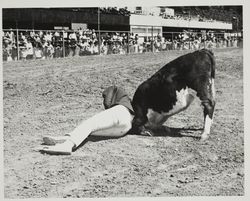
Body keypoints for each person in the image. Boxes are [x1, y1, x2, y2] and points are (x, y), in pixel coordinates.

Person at [40, 86, 134, 155]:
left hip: (120, 112)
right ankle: (64, 139)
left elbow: (107, 101)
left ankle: (67, 145)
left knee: (90, 124)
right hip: (125, 128)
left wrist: (107, 106)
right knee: (91, 131)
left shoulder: (116, 90)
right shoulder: (129, 104)